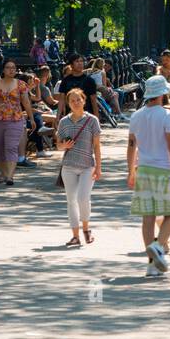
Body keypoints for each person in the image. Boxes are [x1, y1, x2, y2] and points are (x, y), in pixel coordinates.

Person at [127, 74, 170, 277]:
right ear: (162, 93)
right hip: (164, 169)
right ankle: (159, 244)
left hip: (143, 169)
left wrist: (131, 170)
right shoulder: (166, 115)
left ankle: (152, 263)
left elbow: (131, 146)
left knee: (148, 216)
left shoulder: (136, 116)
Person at [56, 87, 102, 247]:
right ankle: (75, 235)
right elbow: (58, 145)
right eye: (72, 101)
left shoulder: (92, 120)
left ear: (84, 100)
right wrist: (64, 145)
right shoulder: (64, 122)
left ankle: (86, 229)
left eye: (78, 100)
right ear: (68, 103)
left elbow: (96, 146)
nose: (76, 103)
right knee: (71, 201)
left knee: (83, 198)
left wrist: (99, 167)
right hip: (68, 166)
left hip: (87, 166)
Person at [0, 58, 35, 186]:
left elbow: (26, 102)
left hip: (15, 120)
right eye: (8, 67)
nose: (11, 70)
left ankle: (10, 176)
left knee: (11, 147)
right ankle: (4, 172)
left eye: (13, 68)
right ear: (3, 70)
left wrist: (31, 118)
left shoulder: (21, 84)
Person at [57, 53, 101, 121]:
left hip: (86, 115)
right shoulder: (65, 80)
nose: (80, 63)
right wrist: (58, 116)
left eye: (81, 61)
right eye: (77, 61)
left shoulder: (89, 80)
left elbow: (93, 100)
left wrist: (97, 118)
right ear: (71, 65)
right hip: (70, 115)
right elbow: (61, 100)